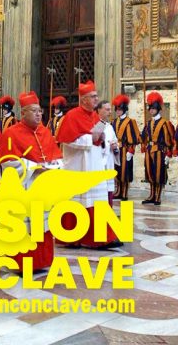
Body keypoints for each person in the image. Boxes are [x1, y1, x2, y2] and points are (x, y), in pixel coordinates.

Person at [0, 91, 63, 271]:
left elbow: (57, 156)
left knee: (42, 224)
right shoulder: (11, 134)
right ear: (23, 112)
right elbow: (6, 161)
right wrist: (33, 167)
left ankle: (42, 260)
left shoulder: (45, 132)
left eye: (40, 111)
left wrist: (54, 166)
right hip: (24, 186)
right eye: (34, 111)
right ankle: (22, 263)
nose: (38, 114)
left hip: (42, 187)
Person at [56, 81, 122, 249]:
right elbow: (67, 140)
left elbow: (98, 139)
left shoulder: (94, 117)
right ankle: (72, 237)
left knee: (97, 202)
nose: (96, 99)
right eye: (93, 97)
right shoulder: (72, 116)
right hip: (78, 167)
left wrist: (101, 139)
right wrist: (90, 138)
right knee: (78, 203)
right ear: (83, 99)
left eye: (96, 96)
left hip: (94, 165)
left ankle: (101, 237)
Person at [141, 92, 176, 205]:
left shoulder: (165, 123)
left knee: (159, 173)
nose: (151, 110)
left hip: (160, 151)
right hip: (149, 150)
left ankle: (158, 196)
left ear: (158, 109)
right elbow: (143, 137)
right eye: (150, 108)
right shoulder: (148, 123)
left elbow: (171, 139)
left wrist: (169, 154)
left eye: (153, 108)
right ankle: (151, 195)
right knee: (150, 173)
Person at [111, 94, 141, 201]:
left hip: (125, 150)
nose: (118, 111)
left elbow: (135, 137)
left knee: (125, 172)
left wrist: (131, 151)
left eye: (120, 109)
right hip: (116, 149)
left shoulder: (131, 122)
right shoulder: (114, 121)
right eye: (117, 109)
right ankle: (118, 191)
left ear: (124, 109)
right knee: (117, 171)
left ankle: (124, 193)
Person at [97, 100, 120, 205]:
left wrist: (115, 147)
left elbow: (115, 142)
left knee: (108, 191)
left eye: (110, 109)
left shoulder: (110, 127)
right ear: (99, 110)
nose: (110, 112)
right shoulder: (94, 125)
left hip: (109, 162)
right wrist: (106, 146)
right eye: (107, 109)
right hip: (98, 164)